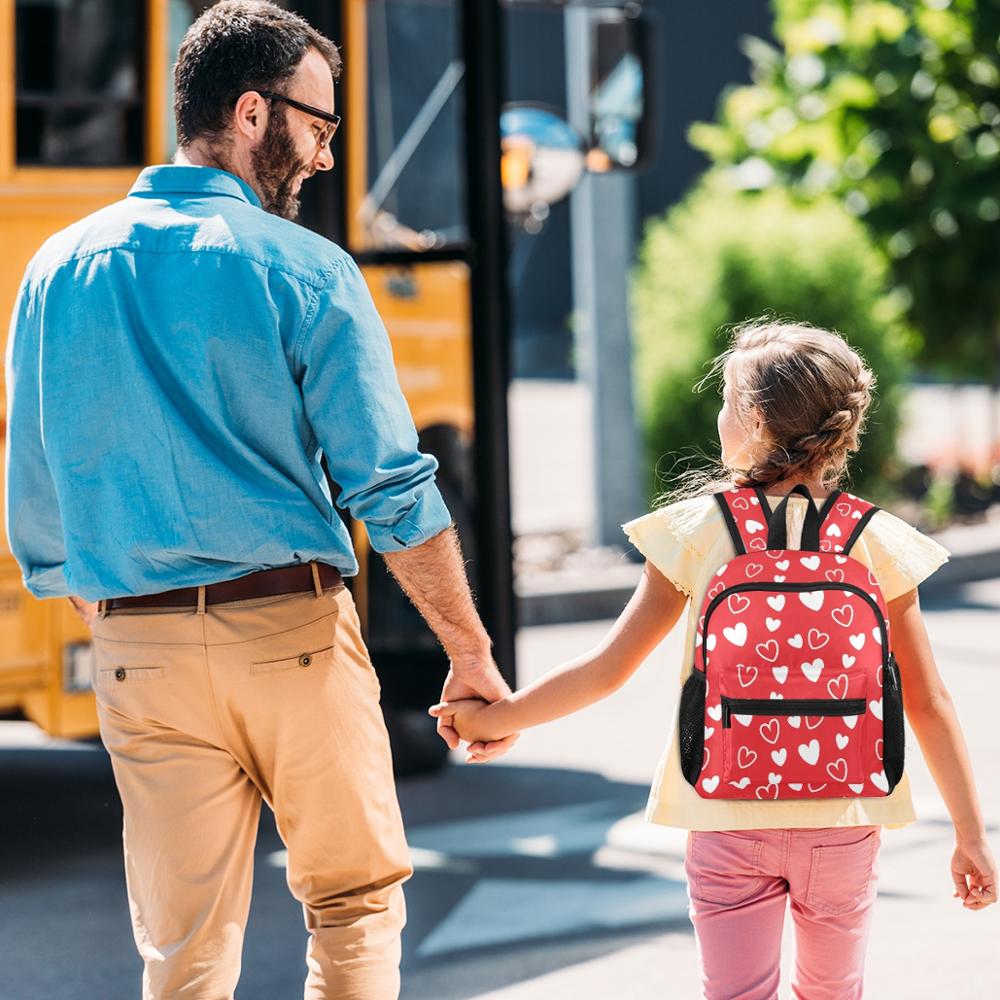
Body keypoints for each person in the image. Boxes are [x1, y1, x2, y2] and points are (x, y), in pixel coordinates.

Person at [4, 2, 515, 997]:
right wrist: (467, 652)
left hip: (135, 651)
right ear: (251, 111)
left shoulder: (54, 269)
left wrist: (122, 617)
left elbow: (37, 489)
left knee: (183, 949)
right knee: (354, 903)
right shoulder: (305, 268)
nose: (324, 157)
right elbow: (389, 486)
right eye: (319, 126)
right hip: (288, 633)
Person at [432, 321, 997, 999]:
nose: (722, 416)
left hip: (726, 812)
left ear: (754, 420)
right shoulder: (873, 542)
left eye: (728, 402)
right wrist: (969, 836)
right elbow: (929, 701)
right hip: (843, 823)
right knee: (835, 992)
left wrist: (493, 719)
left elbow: (609, 667)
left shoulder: (698, 531)